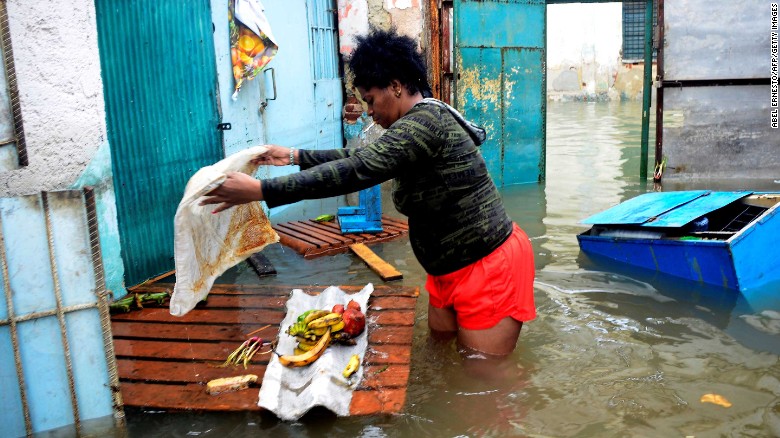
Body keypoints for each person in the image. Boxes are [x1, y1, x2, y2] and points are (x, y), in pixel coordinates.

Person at [200, 27, 535, 357]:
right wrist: (292, 156)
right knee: (442, 355)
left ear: (396, 85)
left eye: (371, 100)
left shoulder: (426, 123)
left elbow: (358, 171)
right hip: (447, 270)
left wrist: (261, 189)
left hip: (487, 266)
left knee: (485, 382)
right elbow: (361, 158)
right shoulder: (415, 124)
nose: (369, 110)